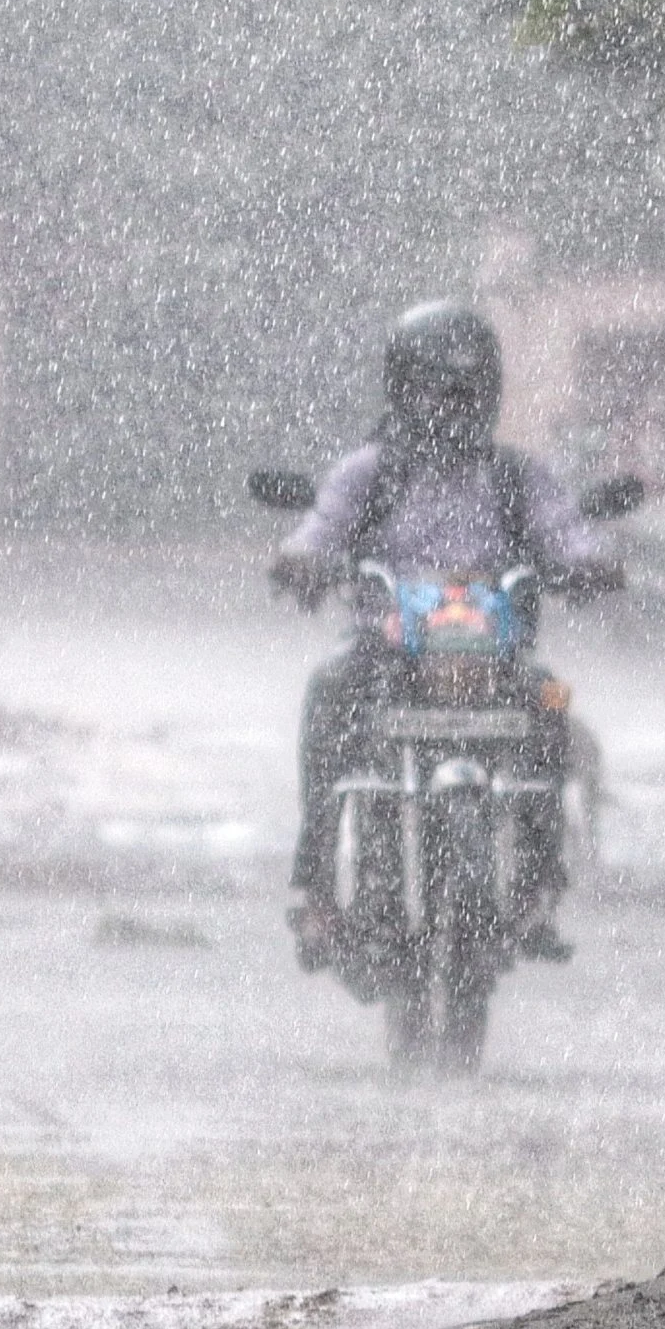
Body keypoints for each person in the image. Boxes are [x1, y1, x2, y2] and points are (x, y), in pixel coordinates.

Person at [271, 300, 620, 970]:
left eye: (466, 392)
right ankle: (314, 891)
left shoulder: (518, 477)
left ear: (488, 395)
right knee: (326, 694)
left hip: (497, 663)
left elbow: (565, 531)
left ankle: (541, 886)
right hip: (386, 659)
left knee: (552, 704)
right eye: (434, 389)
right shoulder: (366, 473)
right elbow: (319, 528)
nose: (450, 407)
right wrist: (300, 559)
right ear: (402, 390)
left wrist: (589, 561)